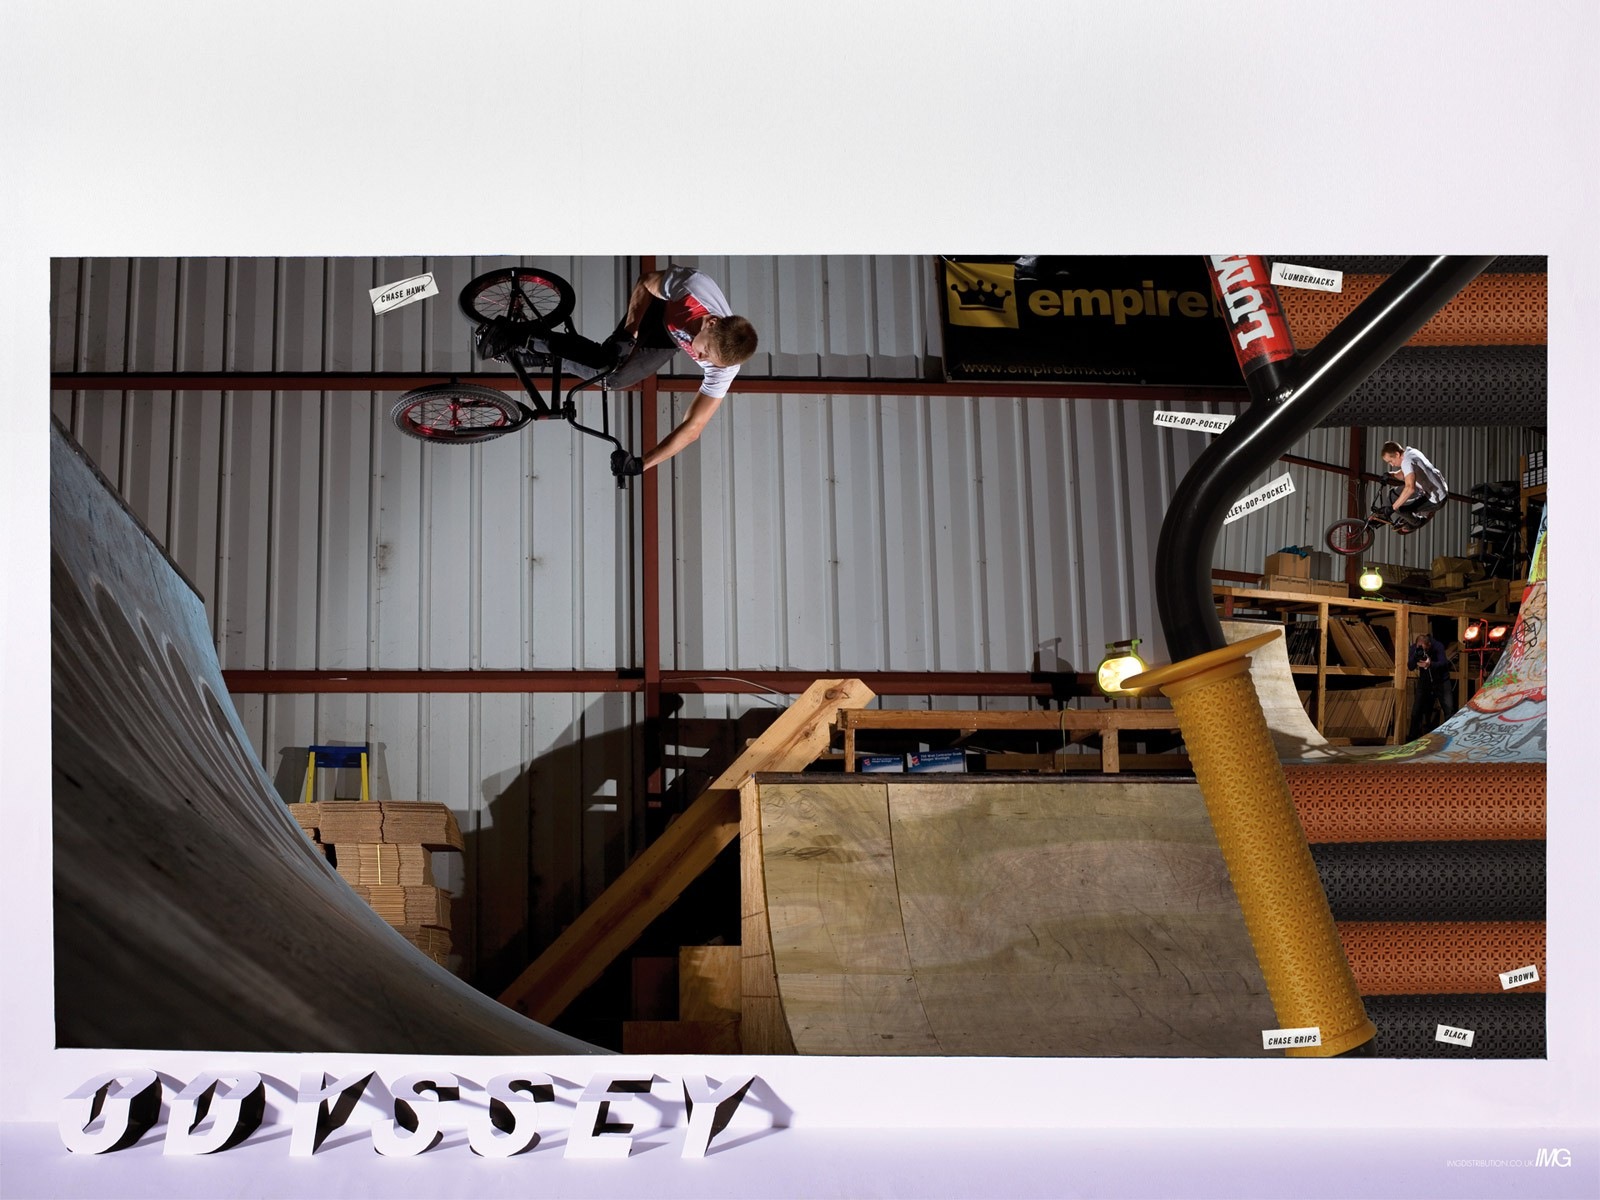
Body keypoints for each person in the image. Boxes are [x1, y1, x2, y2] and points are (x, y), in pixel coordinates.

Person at [598, 265, 759, 476]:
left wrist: (640, 464)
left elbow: (693, 427)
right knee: (607, 363)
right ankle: (553, 347)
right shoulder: (693, 287)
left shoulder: (724, 370)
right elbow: (645, 282)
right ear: (711, 323)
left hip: (670, 337)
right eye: (706, 350)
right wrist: (630, 333)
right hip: (658, 306)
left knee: (614, 378)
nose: (700, 359)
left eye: (711, 361)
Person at [1379, 440, 1448, 529]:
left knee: (1400, 509)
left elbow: (1410, 489)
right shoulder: (1410, 452)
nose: (1392, 465)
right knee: (1395, 494)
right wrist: (1390, 474)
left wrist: (1393, 508)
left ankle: (1417, 522)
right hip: (1438, 487)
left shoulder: (1407, 462)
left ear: (1397, 454)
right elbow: (1404, 474)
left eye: (1390, 461)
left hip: (1436, 499)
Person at [1407, 630, 1457, 740]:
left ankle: (1450, 737)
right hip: (1425, 681)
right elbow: (1410, 666)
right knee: (1417, 710)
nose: (1423, 651)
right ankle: (1412, 737)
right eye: (1420, 649)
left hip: (1442, 681)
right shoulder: (1415, 648)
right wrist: (1415, 656)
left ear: (1429, 645)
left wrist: (1431, 664)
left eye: (1425, 649)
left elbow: (1443, 663)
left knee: (1448, 708)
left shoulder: (1438, 646)